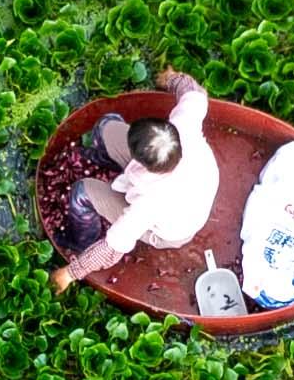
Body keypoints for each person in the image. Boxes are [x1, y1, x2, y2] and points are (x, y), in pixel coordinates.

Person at [53, 72, 222, 290]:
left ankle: (80, 240)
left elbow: (112, 248)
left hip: (168, 230)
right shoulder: (182, 128)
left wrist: (69, 273)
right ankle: (104, 158)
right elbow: (194, 93)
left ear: (141, 161)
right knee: (106, 125)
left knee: (80, 193)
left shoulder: (148, 205)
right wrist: (171, 78)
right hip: (182, 182)